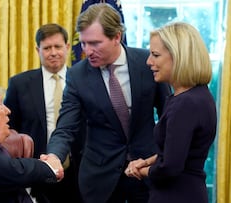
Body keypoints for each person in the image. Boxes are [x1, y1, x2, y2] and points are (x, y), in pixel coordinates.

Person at [41, 3, 172, 203]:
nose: (87, 51)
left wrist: (166, 157)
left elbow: (167, 114)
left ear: (116, 37)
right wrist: (54, 155)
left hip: (147, 172)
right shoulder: (78, 75)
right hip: (101, 180)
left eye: (95, 43)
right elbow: (66, 127)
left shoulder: (147, 62)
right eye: (84, 43)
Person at [124, 22, 217, 203]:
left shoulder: (185, 104)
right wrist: (145, 162)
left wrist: (138, 171)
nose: (148, 61)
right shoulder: (199, 95)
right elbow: (175, 150)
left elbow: (169, 167)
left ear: (179, 56)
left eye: (155, 55)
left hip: (176, 195)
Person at [4, 23, 85, 203]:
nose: (53, 52)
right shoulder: (19, 84)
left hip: (78, 169)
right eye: (47, 48)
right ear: (37, 49)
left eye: (58, 46)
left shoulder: (83, 81)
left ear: (67, 47)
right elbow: (9, 129)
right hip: (36, 168)